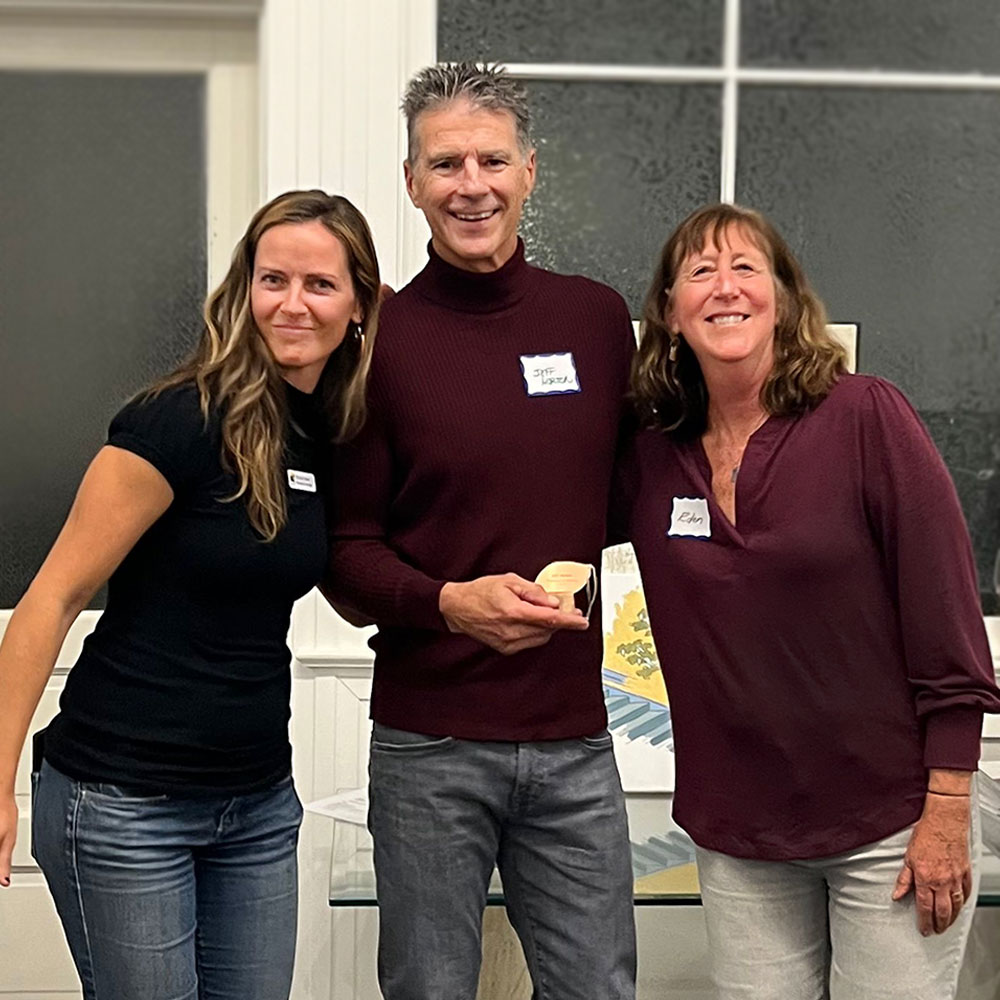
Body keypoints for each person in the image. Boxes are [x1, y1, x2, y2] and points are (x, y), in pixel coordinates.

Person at [0, 189, 381, 1000]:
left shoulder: (328, 430)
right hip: (122, 801)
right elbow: (52, 598)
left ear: (357, 304)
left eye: (319, 284)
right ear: (244, 291)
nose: (292, 303)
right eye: (272, 279)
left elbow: (353, 589)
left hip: (257, 805)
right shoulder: (178, 419)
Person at [619, 202, 1000, 999]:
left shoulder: (865, 415)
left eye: (746, 268)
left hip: (889, 823)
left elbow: (948, 621)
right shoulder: (652, 456)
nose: (725, 289)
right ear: (667, 309)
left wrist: (946, 811)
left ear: (785, 298)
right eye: (699, 272)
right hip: (738, 832)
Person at [323, 63, 637, 999]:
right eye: (446, 162)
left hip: (577, 739)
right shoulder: (374, 339)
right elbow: (344, 553)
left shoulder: (594, 320)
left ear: (530, 172)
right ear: (412, 182)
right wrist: (448, 605)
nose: (472, 185)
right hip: (429, 746)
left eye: (492, 159)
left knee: (599, 991)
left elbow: (631, 497)